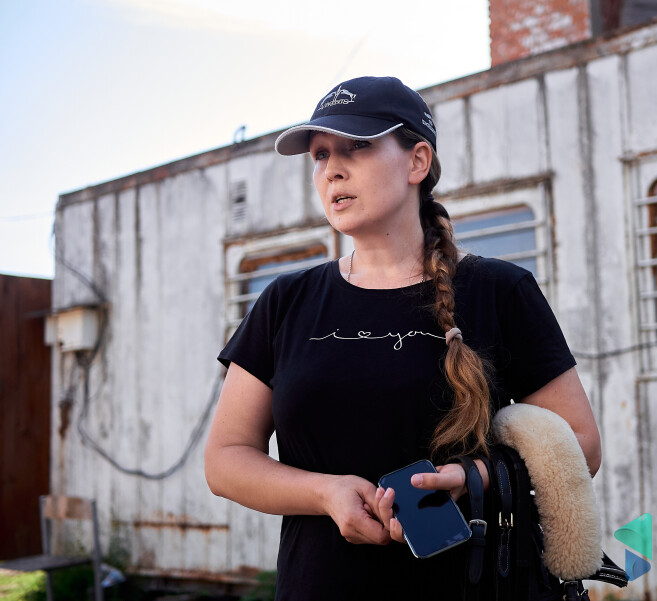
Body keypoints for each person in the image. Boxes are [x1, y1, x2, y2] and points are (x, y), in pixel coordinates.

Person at [204, 75, 601, 601]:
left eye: (357, 146)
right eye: (320, 155)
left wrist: (474, 477)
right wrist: (324, 493)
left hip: (473, 587)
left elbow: (582, 445)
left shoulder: (499, 289)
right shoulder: (285, 301)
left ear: (417, 162)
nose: (332, 169)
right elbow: (226, 460)